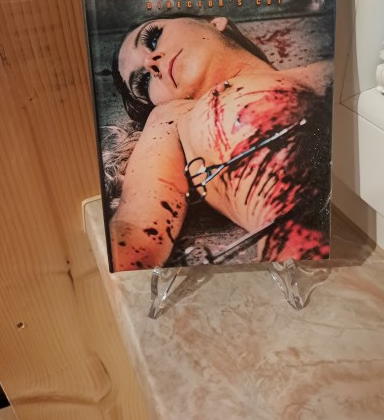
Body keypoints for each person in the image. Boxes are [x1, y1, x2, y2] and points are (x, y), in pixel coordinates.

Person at [108, 14, 332, 271]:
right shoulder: (171, 117)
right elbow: (136, 228)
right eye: (143, 82)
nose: (150, 63)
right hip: (311, 263)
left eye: (153, 38)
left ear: (215, 23)